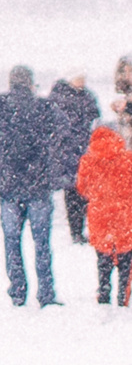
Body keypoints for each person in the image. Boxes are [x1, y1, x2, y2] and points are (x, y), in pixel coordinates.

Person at [0, 65, 61, 308]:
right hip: (38, 184)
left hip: (9, 185)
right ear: (31, 83)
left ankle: (18, 290)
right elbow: (59, 129)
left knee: (12, 241)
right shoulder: (43, 107)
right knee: (42, 242)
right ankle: (46, 292)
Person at [75, 118, 132, 307]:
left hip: (100, 214)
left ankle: (104, 292)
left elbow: (82, 188)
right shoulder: (128, 158)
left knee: (103, 256)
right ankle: (123, 296)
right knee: (125, 256)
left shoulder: (88, 160)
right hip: (125, 214)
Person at [50, 73, 102, 245]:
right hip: (69, 151)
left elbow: (95, 117)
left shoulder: (83, 96)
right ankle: (76, 231)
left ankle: (82, 229)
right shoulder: (62, 96)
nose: (82, 81)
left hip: (82, 150)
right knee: (73, 192)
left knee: (84, 191)